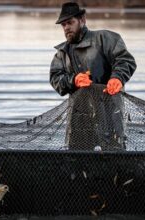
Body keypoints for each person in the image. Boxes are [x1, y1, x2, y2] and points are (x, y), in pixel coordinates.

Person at [50, 2, 136, 150]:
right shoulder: (62, 53)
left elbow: (125, 60)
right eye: (63, 25)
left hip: (110, 113)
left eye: (70, 22)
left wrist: (117, 77)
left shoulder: (106, 38)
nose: (66, 28)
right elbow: (55, 78)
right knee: (78, 161)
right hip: (79, 117)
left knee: (114, 155)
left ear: (82, 20)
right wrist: (73, 80)